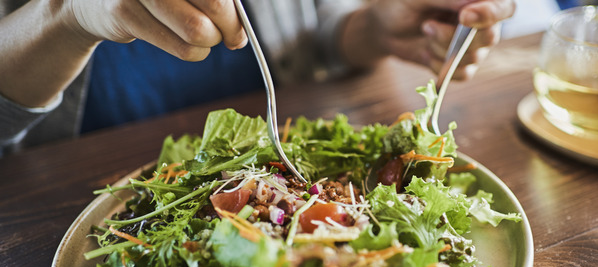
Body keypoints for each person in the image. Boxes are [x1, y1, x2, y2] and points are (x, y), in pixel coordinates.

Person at [0, 0, 516, 155]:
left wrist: (369, 29)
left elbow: (314, 29)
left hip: (288, 139)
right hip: (61, 210)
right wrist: (64, 16)